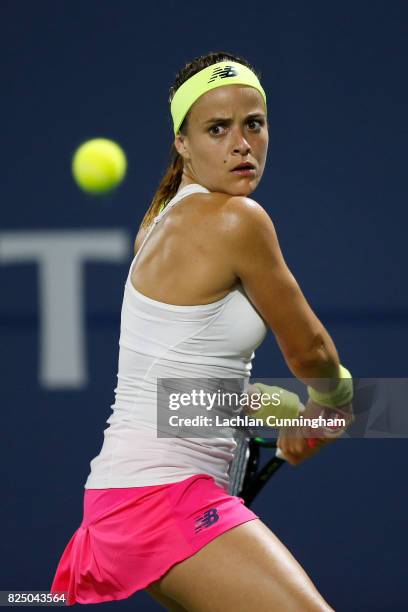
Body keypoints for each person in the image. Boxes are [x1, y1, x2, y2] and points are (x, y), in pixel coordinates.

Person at [50, 51, 353, 611]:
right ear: (182, 143)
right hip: (158, 496)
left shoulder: (161, 219)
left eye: (254, 125)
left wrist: (258, 406)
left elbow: (169, 386)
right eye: (218, 129)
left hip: (130, 493)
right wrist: (334, 401)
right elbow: (310, 349)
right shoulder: (238, 220)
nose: (242, 144)